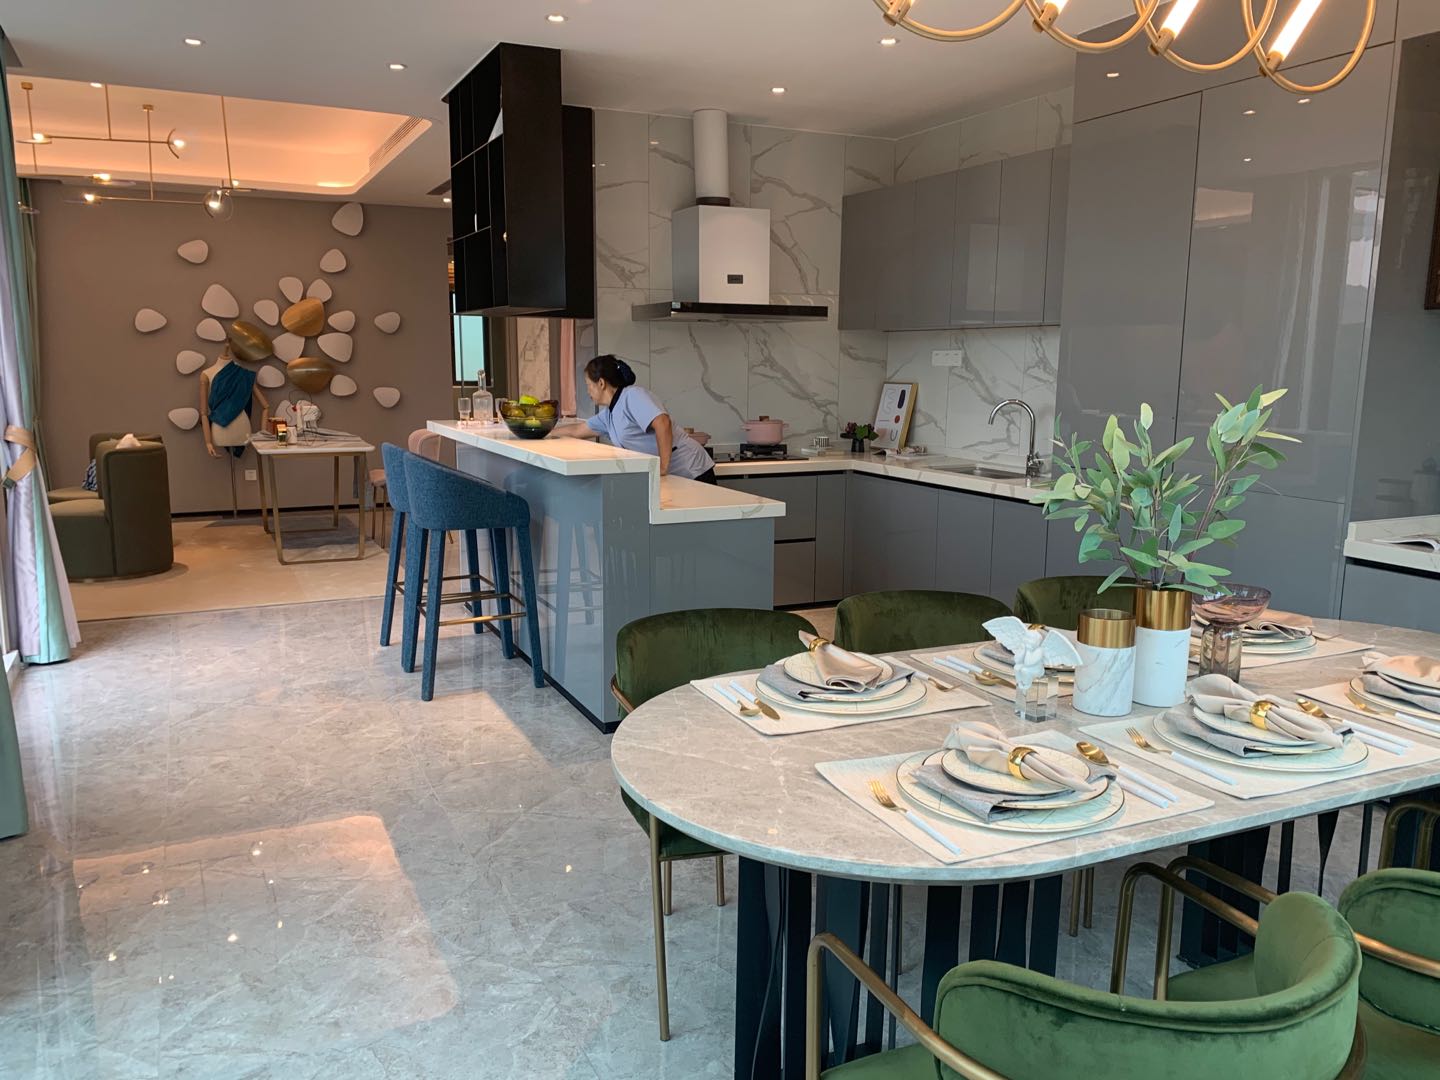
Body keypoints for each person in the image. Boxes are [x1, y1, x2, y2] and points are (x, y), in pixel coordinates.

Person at [575, 354, 716, 483]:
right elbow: (577, 430)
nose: (588, 391)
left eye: (588, 385)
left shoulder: (632, 396)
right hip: (673, 478)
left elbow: (662, 422)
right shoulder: (608, 415)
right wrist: (558, 432)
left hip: (692, 471)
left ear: (601, 383)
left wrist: (662, 467)